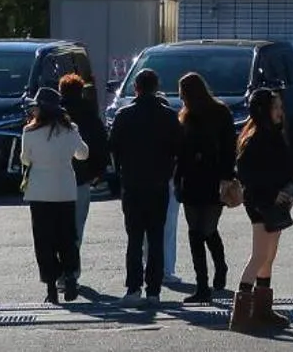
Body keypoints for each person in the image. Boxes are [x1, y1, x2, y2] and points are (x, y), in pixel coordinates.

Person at [108, 67, 185, 307]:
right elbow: (179, 150)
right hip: (159, 184)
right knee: (156, 238)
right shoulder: (169, 116)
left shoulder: (124, 115)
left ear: (136, 88)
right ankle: (154, 290)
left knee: (134, 238)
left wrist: (120, 171)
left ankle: (133, 288)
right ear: (156, 87)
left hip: (132, 183)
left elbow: (113, 149)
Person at [231, 87, 293, 334]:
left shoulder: (274, 135)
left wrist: (288, 191)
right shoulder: (256, 139)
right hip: (260, 203)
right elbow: (249, 175)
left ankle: (262, 309)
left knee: (269, 256)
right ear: (265, 110)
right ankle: (242, 314)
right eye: (276, 107)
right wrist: (272, 193)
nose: (281, 112)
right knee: (259, 255)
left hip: (276, 202)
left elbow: (285, 169)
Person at [20, 87, 91, 305]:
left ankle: (51, 288)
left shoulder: (30, 132)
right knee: (67, 238)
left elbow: (25, 159)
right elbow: (83, 154)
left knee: (44, 241)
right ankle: (70, 276)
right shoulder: (71, 129)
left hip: (40, 193)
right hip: (65, 191)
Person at [175, 71, 238, 305]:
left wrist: (227, 176)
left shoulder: (216, 114)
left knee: (206, 229)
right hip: (196, 180)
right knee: (197, 232)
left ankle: (218, 269)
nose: (181, 98)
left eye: (182, 93)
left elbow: (229, 148)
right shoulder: (190, 116)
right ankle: (203, 284)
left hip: (209, 179)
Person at [57, 71, 109, 299]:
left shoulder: (54, 115)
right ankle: (72, 272)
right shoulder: (89, 114)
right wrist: (98, 172)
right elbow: (100, 144)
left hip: (55, 180)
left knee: (57, 229)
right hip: (80, 179)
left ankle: (59, 273)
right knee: (76, 228)